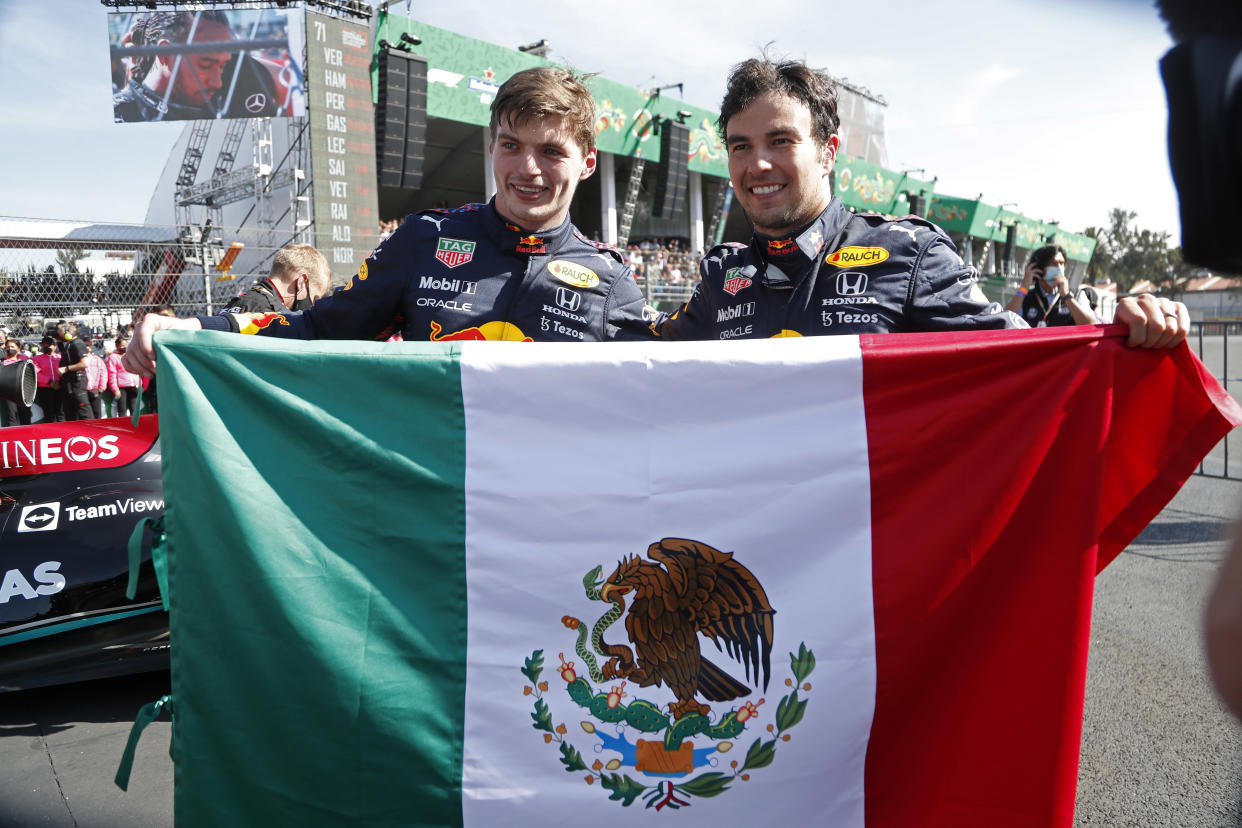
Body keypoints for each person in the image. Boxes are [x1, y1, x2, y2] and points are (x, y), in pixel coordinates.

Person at [123, 66, 654, 376]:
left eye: (551, 152)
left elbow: (678, 395)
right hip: (434, 509)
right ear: (492, 147)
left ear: (587, 163)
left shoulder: (609, 281)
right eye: (511, 145)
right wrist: (194, 329)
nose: (527, 168)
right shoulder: (426, 239)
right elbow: (316, 329)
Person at [658, 56, 1188, 347]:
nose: (758, 166)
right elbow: (634, 360)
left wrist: (1121, 331)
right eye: (740, 147)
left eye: (781, 141)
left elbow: (1026, 355)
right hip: (749, 544)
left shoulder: (909, 255)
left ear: (828, 153)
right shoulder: (721, 277)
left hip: (871, 540)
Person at [113, 10, 279, 123]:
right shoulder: (122, 114)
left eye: (223, 66)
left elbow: (283, 77)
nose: (217, 83)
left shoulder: (238, 79)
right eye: (206, 65)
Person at [221, 244, 332, 314]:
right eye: (315, 299)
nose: (313, 305)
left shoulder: (236, 302)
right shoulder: (272, 315)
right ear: (301, 283)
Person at [1005, 244, 1097, 327]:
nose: (1059, 268)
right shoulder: (1025, 298)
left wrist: (1067, 296)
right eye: (1054, 263)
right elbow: (1005, 321)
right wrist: (1024, 287)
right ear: (1038, 268)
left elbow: (1091, 325)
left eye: (1062, 263)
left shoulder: (1077, 295)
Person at [56, 321, 92, 422]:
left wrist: (66, 368)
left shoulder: (78, 344)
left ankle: (91, 431)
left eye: (60, 332)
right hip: (70, 383)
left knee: (83, 409)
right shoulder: (70, 344)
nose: (59, 334)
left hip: (77, 382)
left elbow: (84, 363)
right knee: (71, 411)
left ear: (67, 334)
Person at [107, 337, 142, 418]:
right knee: (122, 411)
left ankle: (135, 429)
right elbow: (112, 374)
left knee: (134, 410)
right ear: (117, 346)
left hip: (133, 386)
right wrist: (115, 389)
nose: (125, 347)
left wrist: (140, 383)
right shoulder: (113, 357)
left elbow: (138, 369)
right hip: (121, 388)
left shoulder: (131, 355)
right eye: (122, 345)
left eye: (126, 345)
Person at [1, 338, 32, 428]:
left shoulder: (26, 360)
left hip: (25, 392)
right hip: (9, 392)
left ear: (18, 348)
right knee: (12, 417)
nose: (10, 349)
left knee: (26, 416)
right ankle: (13, 437)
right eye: (7, 347)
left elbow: (33, 373)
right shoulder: (3, 362)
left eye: (12, 347)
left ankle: (27, 437)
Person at [30, 336, 61, 423]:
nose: (46, 347)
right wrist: (49, 381)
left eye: (49, 345)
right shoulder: (36, 359)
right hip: (45, 389)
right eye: (44, 345)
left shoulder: (60, 357)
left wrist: (60, 383)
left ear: (54, 346)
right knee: (49, 413)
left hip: (60, 387)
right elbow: (35, 373)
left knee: (61, 413)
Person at [85, 347, 108, 419]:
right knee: (85, 413)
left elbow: (103, 372)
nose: (87, 348)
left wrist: (102, 386)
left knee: (97, 412)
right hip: (83, 390)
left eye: (89, 345)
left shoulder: (97, 359)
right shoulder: (78, 358)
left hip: (95, 389)